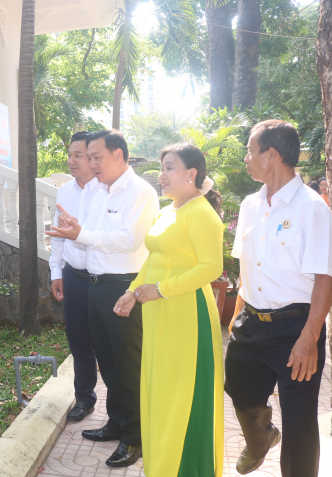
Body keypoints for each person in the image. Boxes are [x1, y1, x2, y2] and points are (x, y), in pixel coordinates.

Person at [226, 120, 332, 477]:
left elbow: (325, 277)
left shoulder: (312, 208)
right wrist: (237, 315)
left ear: (271, 155)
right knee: (239, 391)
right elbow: (246, 266)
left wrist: (309, 337)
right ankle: (262, 439)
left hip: (295, 328)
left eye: (249, 151)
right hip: (251, 322)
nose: (245, 159)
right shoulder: (249, 205)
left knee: (299, 421)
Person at [46, 129, 159, 467]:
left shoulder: (140, 192)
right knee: (108, 362)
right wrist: (75, 231)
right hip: (95, 286)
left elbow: (129, 239)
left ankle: (135, 436)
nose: (91, 163)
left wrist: (81, 234)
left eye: (96, 157)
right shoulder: (101, 193)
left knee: (128, 365)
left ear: (118, 155)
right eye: (89, 157)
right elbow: (89, 235)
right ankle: (117, 422)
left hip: (122, 286)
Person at [114, 144, 225, 477]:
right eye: (162, 168)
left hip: (187, 316)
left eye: (169, 168)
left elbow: (211, 268)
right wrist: (133, 291)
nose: (161, 175)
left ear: (191, 173)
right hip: (159, 313)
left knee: (182, 395)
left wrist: (161, 289)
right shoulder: (167, 211)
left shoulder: (201, 213)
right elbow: (153, 260)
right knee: (160, 393)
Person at [49, 131, 106, 422]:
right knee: (79, 340)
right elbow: (58, 236)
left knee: (107, 344)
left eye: (78, 155)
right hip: (72, 276)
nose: (71, 160)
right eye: (70, 155)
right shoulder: (65, 192)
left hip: (103, 279)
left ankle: (119, 410)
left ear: (94, 158)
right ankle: (84, 398)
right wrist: (56, 272)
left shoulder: (106, 191)